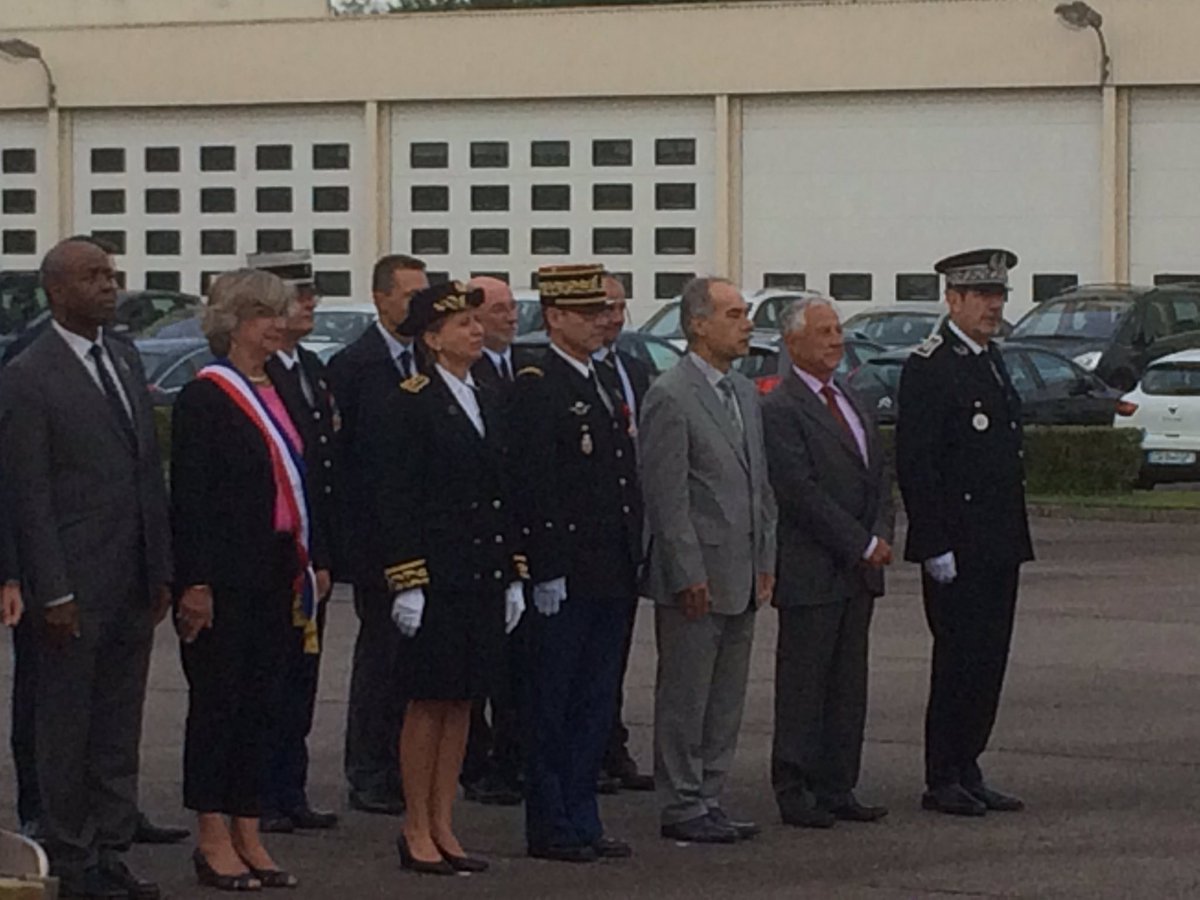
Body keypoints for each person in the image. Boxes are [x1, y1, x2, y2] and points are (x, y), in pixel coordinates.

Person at [0, 237, 173, 900]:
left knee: (116, 726)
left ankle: (109, 847)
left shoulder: (122, 358)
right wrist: (52, 589)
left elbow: (145, 474)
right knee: (64, 727)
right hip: (71, 584)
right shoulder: (29, 373)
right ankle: (69, 854)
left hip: (131, 578)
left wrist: (160, 568)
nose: (109, 285)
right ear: (56, 291)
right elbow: (28, 492)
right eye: (92, 276)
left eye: (111, 274)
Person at [171, 269, 326, 890]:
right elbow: (191, 499)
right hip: (225, 576)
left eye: (280, 313)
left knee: (266, 704)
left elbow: (308, 477)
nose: (278, 325)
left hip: (279, 569)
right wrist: (195, 582)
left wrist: (316, 558)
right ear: (233, 323)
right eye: (266, 314)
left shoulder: (283, 385)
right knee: (220, 705)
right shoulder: (206, 397)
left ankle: (249, 827)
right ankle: (212, 834)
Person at [365, 280, 527, 875]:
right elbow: (395, 498)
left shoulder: (488, 394)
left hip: (481, 571)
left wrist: (514, 570)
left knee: (463, 700)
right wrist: (407, 580)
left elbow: (504, 491)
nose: (476, 331)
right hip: (437, 576)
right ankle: (415, 827)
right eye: (462, 324)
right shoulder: (409, 402)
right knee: (428, 701)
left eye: (476, 322)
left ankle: (443, 821)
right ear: (432, 339)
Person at [513, 263, 643, 863]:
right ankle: (551, 820)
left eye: (605, 311)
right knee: (553, 702)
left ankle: (583, 814)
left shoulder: (600, 378)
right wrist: (545, 567)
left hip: (609, 567)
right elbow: (535, 483)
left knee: (595, 700)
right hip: (565, 572)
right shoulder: (538, 384)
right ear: (555, 316)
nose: (601, 322)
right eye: (588, 313)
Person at [640, 277, 777, 845]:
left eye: (746, 313)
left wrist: (765, 556)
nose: (747, 324)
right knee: (687, 694)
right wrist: (685, 571)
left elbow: (758, 483)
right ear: (698, 324)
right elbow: (667, 497)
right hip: (697, 573)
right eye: (734, 314)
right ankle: (681, 800)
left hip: (742, 569)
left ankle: (711, 795)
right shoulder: (670, 396)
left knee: (725, 697)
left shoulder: (743, 391)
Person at [896, 249, 1033, 817]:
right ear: (952, 300)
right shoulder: (930, 365)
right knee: (957, 660)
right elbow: (917, 462)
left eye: (998, 296)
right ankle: (942, 773)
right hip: (957, 543)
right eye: (982, 296)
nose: (993, 307)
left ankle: (969, 761)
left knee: (989, 660)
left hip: (998, 539)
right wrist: (933, 543)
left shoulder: (990, 359)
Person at [761, 296, 892, 829]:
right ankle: (795, 786)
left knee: (847, 684)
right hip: (812, 568)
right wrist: (859, 543)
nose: (836, 340)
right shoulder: (781, 407)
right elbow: (799, 491)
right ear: (793, 343)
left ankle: (838, 785)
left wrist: (880, 535)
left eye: (838, 330)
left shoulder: (852, 397)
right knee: (804, 683)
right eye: (824, 332)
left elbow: (878, 476)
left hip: (859, 571)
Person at [328, 254, 429, 816]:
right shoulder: (354, 366)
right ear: (381, 298)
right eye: (409, 294)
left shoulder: (429, 358)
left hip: (424, 536)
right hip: (375, 539)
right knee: (381, 659)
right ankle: (368, 769)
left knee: (417, 663)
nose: (417, 304)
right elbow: (345, 460)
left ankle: (405, 765)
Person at [250, 251, 341, 833]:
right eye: (297, 295)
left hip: (312, 549)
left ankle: (290, 787)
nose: (309, 304)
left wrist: (325, 553)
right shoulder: (251, 375)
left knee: (302, 675)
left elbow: (323, 468)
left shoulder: (309, 366)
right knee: (270, 677)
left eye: (312, 293)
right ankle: (261, 792)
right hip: (274, 552)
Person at [458, 275, 526, 807]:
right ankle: (475, 765)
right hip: (467, 548)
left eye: (512, 308)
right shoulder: (462, 379)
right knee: (469, 673)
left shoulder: (524, 369)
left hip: (511, 539)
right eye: (499, 309)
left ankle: (509, 759)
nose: (511, 317)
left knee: (512, 667)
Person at [592, 273, 655, 794]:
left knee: (615, 652)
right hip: (589, 537)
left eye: (619, 308)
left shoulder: (633, 367)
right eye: (604, 308)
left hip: (629, 533)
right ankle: (587, 751)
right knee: (583, 660)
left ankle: (612, 746)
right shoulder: (559, 373)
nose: (614, 318)